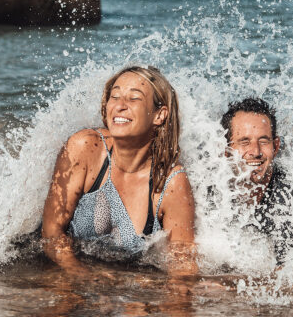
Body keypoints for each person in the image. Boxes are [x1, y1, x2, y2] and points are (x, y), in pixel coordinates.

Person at [42, 65, 197, 277]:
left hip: (127, 285)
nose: (120, 106)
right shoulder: (85, 149)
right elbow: (51, 233)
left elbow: (182, 264)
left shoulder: (171, 183)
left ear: (159, 115)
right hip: (64, 269)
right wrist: (80, 275)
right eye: (114, 97)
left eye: (134, 98)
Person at [220, 97, 293, 265]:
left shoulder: (292, 199)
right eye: (244, 142)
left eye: (263, 141)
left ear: (275, 147)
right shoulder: (210, 192)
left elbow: (291, 275)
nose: (255, 151)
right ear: (226, 150)